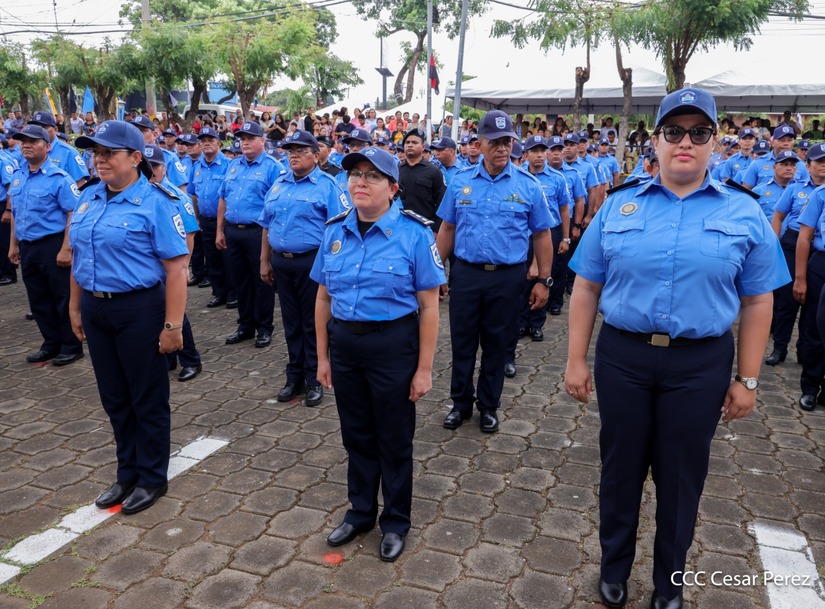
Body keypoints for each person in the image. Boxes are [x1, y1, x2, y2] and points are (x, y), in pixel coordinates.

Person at [565, 88, 789, 609]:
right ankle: (614, 567)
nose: (685, 142)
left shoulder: (745, 211)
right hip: (624, 356)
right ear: (657, 141)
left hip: (699, 362)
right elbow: (586, 288)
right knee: (620, 469)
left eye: (699, 133)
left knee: (682, 475)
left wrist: (748, 377)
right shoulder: (619, 204)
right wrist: (576, 359)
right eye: (673, 132)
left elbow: (758, 302)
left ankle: (669, 581)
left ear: (715, 142)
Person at [312, 146, 443, 562]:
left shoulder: (415, 233)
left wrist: (424, 369)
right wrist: (323, 357)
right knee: (356, 434)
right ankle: (361, 511)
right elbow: (322, 298)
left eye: (371, 176)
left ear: (393, 187)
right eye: (354, 175)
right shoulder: (335, 230)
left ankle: (396, 521)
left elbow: (429, 306)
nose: (360, 182)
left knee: (394, 437)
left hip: (393, 346)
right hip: (346, 346)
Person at [69, 120, 189, 514]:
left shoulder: (157, 202)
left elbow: (176, 270)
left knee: (147, 397)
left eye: (108, 153)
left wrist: (173, 326)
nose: (99, 160)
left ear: (136, 158)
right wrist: (75, 307)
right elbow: (78, 257)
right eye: (95, 153)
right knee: (115, 397)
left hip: (139, 309)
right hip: (96, 306)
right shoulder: (88, 198)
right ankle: (127, 473)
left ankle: (152, 477)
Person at [436, 110, 554, 434]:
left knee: (497, 344)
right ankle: (460, 403)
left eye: (507, 142)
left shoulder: (528, 186)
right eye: (495, 142)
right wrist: (434, 274)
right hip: (467, 273)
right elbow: (447, 228)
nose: (502, 149)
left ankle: (488, 406)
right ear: (480, 143)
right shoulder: (460, 182)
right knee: (462, 342)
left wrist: (543, 280)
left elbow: (542, 235)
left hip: (507, 277)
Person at [258, 130, 347, 407]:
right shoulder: (279, 184)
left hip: (312, 263)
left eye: (299, 150)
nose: (293, 155)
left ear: (316, 155)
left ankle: (314, 379)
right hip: (282, 263)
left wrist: (332, 269)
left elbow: (339, 231)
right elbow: (267, 224)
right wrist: (264, 260)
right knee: (291, 322)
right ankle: (293, 376)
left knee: (313, 323)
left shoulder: (327, 185)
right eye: (289, 151)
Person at [7, 125, 83, 365]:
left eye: (33, 141)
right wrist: (13, 245)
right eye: (23, 141)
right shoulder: (19, 176)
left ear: (47, 146)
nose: (26, 145)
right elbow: (16, 214)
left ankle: (71, 345)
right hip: (28, 246)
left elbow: (73, 213)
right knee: (38, 298)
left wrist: (66, 248)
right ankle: (50, 343)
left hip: (53, 244)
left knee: (61, 297)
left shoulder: (59, 178)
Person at [217, 120, 285, 347]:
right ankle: (245, 325)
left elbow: (278, 205)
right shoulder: (233, 164)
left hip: (258, 233)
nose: (244, 143)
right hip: (233, 231)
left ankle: (265, 328)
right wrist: (220, 230)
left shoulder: (273, 167)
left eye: (250, 138)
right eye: (242, 138)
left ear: (262, 141)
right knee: (240, 281)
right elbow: (223, 198)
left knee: (262, 281)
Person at [144, 144, 203, 382]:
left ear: (164, 168)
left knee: (176, 315)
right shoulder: (143, 194)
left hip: (171, 267)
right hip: (150, 267)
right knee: (155, 313)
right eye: (146, 167)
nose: (151, 171)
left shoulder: (176, 196)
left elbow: (189, 233)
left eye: (155, 166)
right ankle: (168, 358)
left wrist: (185, 266)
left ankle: (191, 360)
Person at [768, 142, 825, 366]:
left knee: (813, 305)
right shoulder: (795, 187)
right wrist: (774, 245)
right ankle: (779, 347)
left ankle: (805, 351)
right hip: (792, 244)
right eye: (819, 161)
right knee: (787, 300)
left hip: (817, 249)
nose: (823, 166)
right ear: (808, 165)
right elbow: (778, 217)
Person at [188, 126, 236, 309]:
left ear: (219, 143)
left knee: (228, 259)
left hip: (224, 220)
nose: (206, 143)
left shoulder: (228, 165)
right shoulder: (196, 167)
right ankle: (218, 293)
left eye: (210, 140)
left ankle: (233, 294)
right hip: (206, 220)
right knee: (212, 258)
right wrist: (197, 218)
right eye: (203, 141)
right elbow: (193, 194)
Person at [398, 129, 447, 228]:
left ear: (423, 147)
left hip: (425, 227)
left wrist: (436, 229)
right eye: (407, 142)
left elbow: (442, 203)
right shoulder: (396, 170)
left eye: (415, 142)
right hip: (399, 226)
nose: (410, 145)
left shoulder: (434, 171)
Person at [28, 111, 90, 188]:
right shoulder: (28, 151)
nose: (38, 132)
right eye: (35, 127)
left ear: (55, 129)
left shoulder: (69, 153)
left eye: (44, 127)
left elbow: (81, 184)